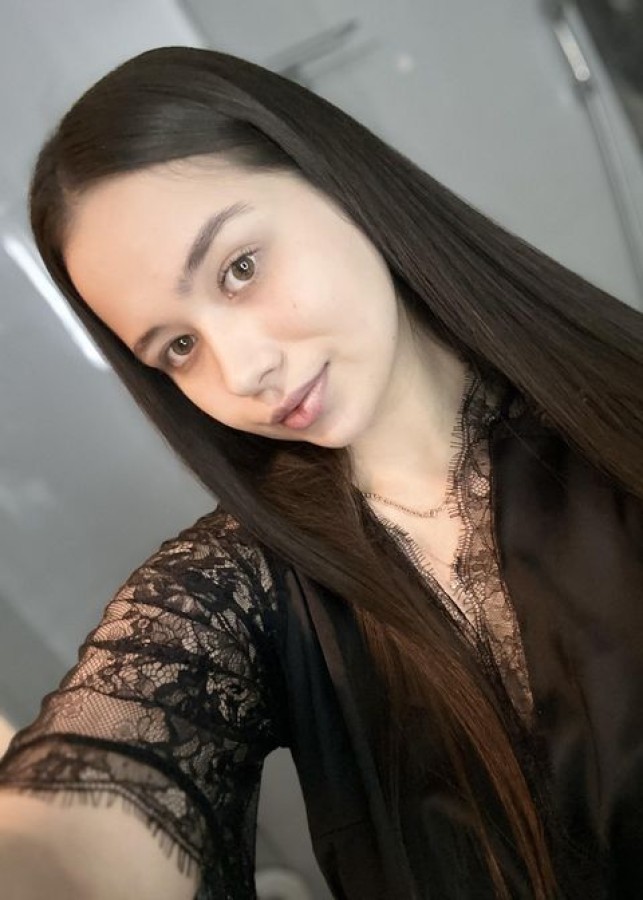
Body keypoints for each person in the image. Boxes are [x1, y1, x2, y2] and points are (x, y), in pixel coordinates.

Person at [0, 45, 641, 900]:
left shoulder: (615, 414)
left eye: (239, 268)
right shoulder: (236, 589)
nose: (242, 371)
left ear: (333, 178)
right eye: (178, 347)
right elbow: (87, 831)